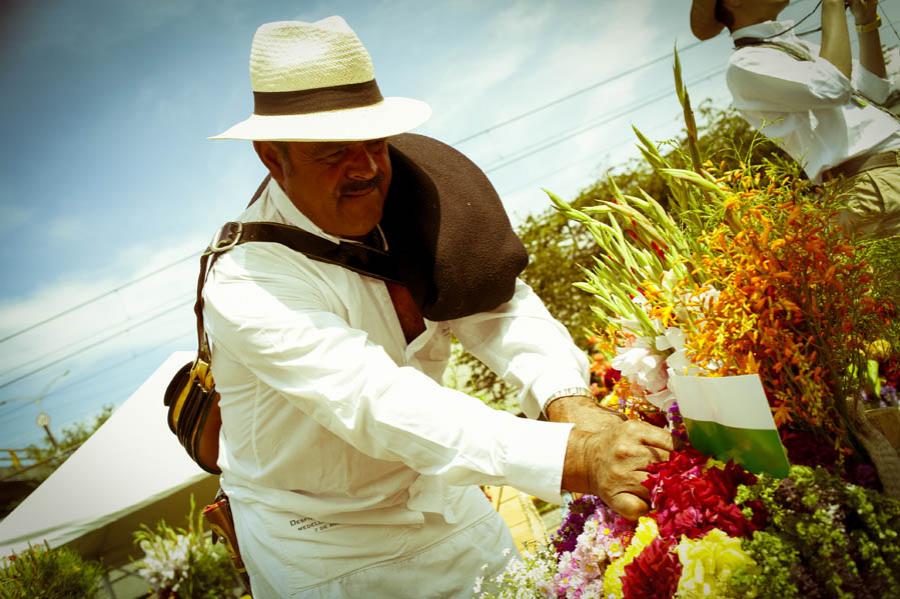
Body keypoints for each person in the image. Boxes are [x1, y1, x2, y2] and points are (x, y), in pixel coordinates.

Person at [202, 16, 673, 598]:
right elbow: (377, 402)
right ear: (274, 159)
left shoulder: (416, 202)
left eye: (374, 142)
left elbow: (496, 309)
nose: (367, 168)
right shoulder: (248, 282)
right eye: (333, 153)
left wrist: (570, 405)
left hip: (446, 511)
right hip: (325, 554)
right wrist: (577, 455)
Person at [690, 0, 900, 239]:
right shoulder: (745, 65)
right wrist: (832, 4)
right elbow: (834, 86)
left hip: (885, 177)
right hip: (872, 185)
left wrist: (866, 22)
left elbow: (874, 92)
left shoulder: (788, 46)